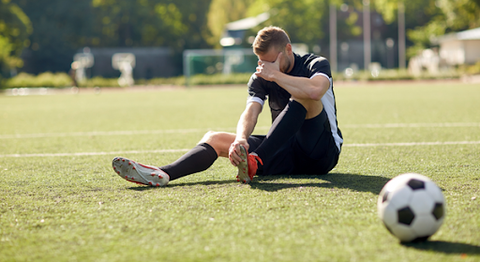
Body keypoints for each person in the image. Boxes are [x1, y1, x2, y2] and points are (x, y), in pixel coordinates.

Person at [112, 26, 343, 187]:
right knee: (215, 137)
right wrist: (241, 139)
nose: (265, 67)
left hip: (320, 154)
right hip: (283, 152)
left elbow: (315, 90)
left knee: (304, 96)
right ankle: (163, 173)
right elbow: (251, 111)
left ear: (288, 50)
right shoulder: (261, 75)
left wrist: (275, 75)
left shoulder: (315, 63)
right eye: (261, 62)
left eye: (271, 61)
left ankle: (255, 160)